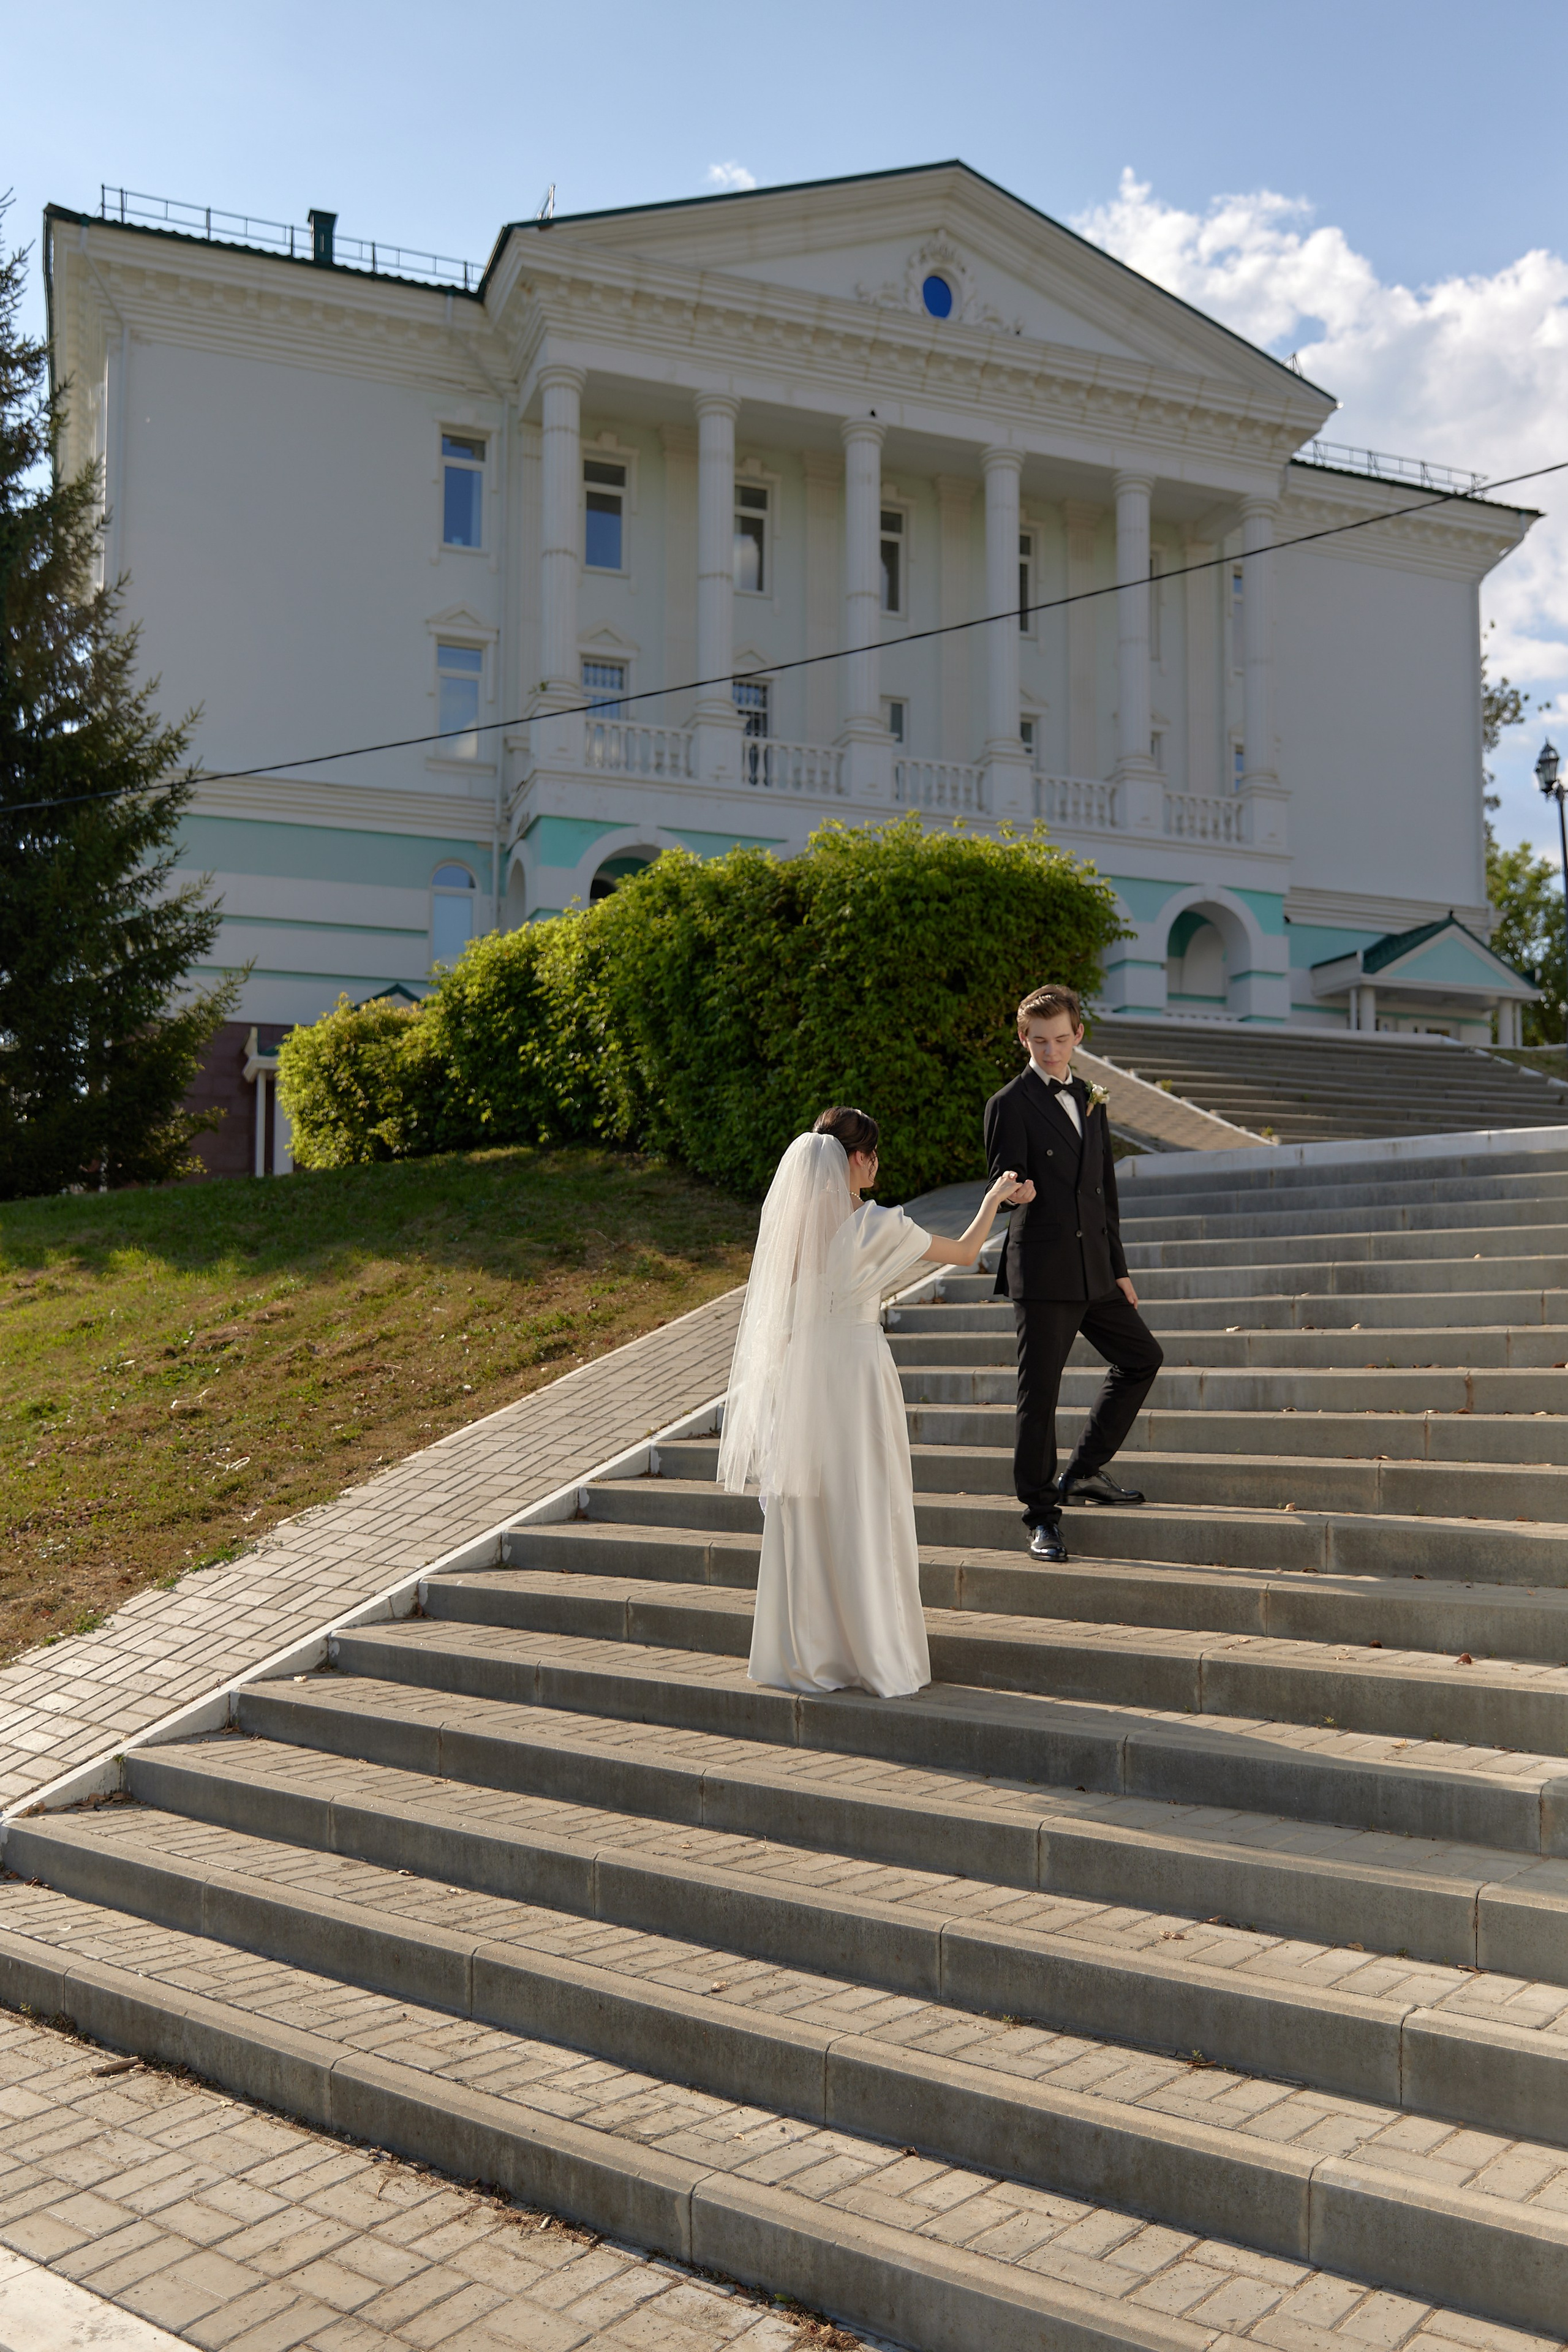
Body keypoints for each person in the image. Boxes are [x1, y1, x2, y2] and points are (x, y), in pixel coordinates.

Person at [720, 1106, 1031, 1697]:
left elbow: (775, 1311)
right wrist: (995, 1199)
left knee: (811, 1506)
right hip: (859, 1372)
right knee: (866, 1500)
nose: (876, 1165)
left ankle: (807, 1654)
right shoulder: (878, 1225)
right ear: (858, 1159)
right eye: (874, 1154)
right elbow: (965, 1253)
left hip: (806, 1370)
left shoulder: (794, 1226)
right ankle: (874, 1653)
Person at [983, 984, 1163, 1566]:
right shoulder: (1008, 1103)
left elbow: (1103, 1190)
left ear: (1078, 1035)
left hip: (1094, 1269)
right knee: (1040, 1397)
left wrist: (1120, 1269)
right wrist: (1016, 1190)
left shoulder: (1091, 1096)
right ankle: (1040, 1516)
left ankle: (1084, 1472)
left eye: (1062, 1039)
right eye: (1040, 1041)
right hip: (1042, 1269)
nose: (1053, 1050)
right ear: (1023, 1039)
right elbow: (1002, 1176)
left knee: (1142, 1357)